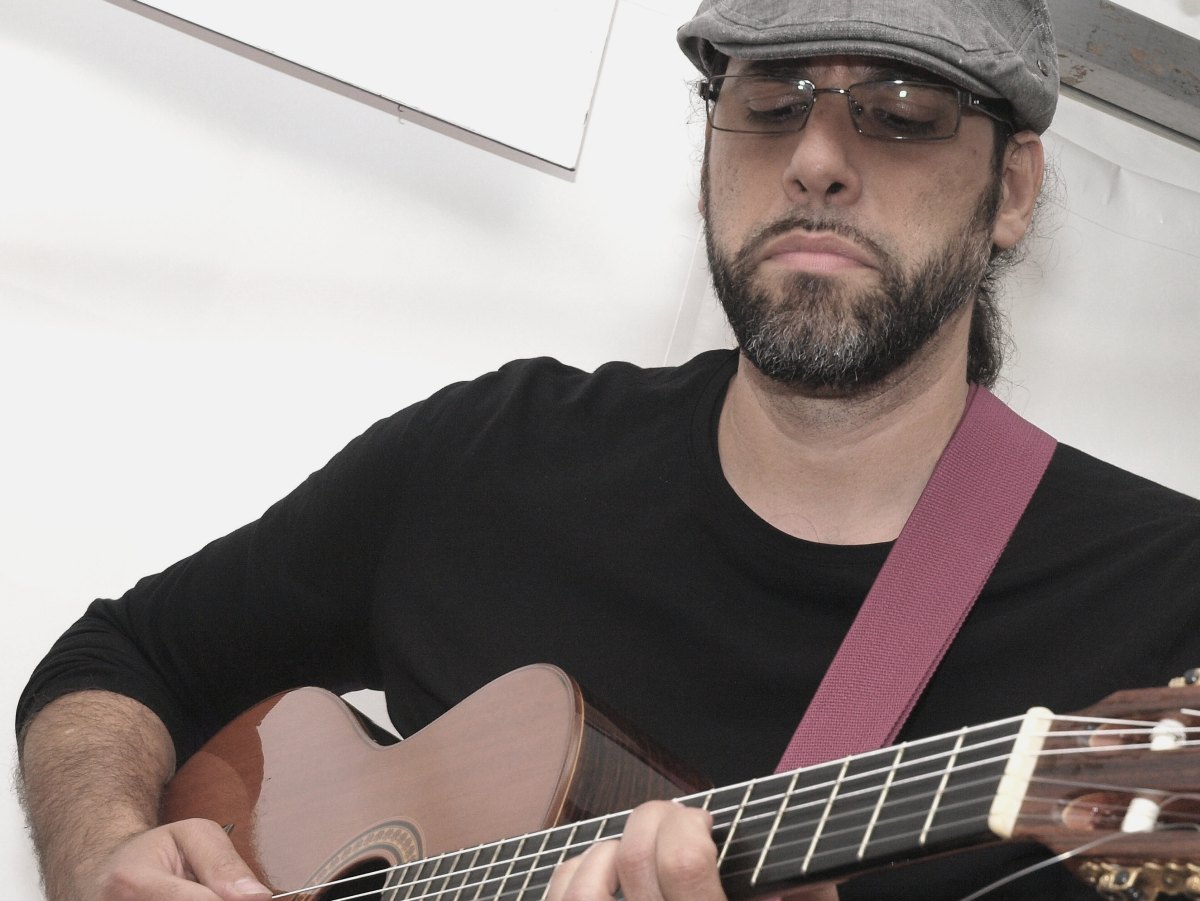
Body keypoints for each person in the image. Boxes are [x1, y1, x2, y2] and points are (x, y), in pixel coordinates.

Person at [16, 0, 1200, 899]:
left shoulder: (1166, 602)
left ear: (1012, 188)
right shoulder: (489, 454)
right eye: (771, 98)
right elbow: (119, 658)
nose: (817, 158)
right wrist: (106, 853)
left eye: (900, 108)